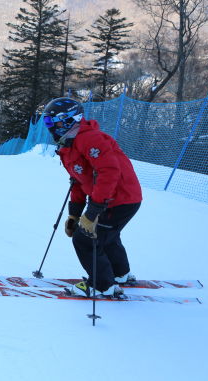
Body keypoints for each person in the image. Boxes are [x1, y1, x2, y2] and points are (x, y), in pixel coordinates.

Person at [43, 97, 142, 297]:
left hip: (119, 198)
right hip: (110, 198)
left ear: (71, 119)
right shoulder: (68, 145)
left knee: (86, 239)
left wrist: (93, 211)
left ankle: (102, 285)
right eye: (48, 122)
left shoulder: (89, 138)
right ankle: (120, 274)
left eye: (54, 121)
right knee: (107, 236)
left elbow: (109, 171)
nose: (51, 127)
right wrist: (74, 215)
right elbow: (78, 181)